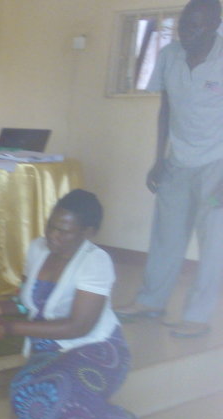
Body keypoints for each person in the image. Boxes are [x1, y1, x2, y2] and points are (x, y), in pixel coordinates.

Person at [0, 190, 168, 419]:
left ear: (88, 232)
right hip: (48, 347)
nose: (54, 235)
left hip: (97, 349)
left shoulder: (95, 262)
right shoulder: (38, 248)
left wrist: (14, 327)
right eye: (51, 226)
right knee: (25, 386)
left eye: (65, 231)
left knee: (63, 388)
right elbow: (28, 301)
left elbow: (80, 326)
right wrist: (3, 308)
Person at [115, 0, 223, 338]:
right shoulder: (170, 55)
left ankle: (196, 316)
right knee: (166, 238)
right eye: (184, 25)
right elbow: (165, 108)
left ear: (216, 24)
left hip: (216, 164)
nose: (187, 32)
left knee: (214, 246)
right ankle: (150, 302)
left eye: (197, 26)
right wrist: (158, 157)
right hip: (177, 161)